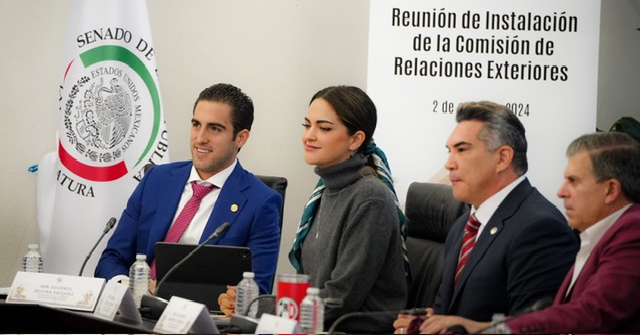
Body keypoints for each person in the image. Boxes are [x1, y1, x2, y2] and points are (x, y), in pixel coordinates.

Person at [394, 101, 578, 334]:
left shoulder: (541, 228)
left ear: (502, 158)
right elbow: (446, 313)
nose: (449, 164)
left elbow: (533, 330)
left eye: (462, 150)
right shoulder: (462, 225)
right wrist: (423, 326)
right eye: (449, 151)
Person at [435, 131, 640, 334]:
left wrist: (491, 329)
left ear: (610, 190)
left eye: (573, 181)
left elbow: (593, 312)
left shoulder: (633, 230)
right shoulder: (601, 235)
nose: (561, 192)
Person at [95, 83, 283, 299]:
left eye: (215, 128)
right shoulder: (156, 180)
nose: (200, 138)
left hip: (200, 316)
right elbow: (112, 258)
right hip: (133, 309)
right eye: (196, 124)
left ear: (240, 138)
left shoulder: (261, 203)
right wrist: (130, 290)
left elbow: (256, 292)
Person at [289, 85, 409, 333]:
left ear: (355, 140)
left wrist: (266, 307)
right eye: (307, 125)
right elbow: (307, 286)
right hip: (319, 325)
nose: (309, 136)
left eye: (324, 128)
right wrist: (252, 303)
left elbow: (340, 299)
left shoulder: (370, 198)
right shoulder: (325, 190)